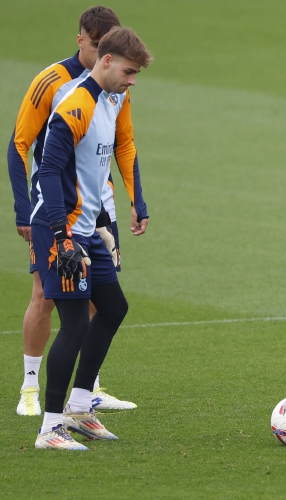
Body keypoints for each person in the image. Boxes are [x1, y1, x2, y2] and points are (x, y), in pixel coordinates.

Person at [7, 6, 147, 416]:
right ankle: (32, 391)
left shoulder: (116, 91)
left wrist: (136, 200)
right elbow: (22, 147)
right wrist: (25, 211)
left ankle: (87, 393)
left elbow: (124, 144)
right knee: (48, 298)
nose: (130, 79)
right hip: (59, 212)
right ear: (85, 42)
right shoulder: (59, 87)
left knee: (100, 304)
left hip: (96, 212)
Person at [33, 27, 153, 450]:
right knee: (74, 324)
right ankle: (50, 428)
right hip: (59, 231)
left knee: (114, 307)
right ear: (106, 60)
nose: (132, 79)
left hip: (86, 229)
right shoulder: (75, 104)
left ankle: (80, 408)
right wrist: (62, 236)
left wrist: (102, 221)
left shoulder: (111, 100)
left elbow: (91, 171)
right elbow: (47, 170)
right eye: (129, 70)